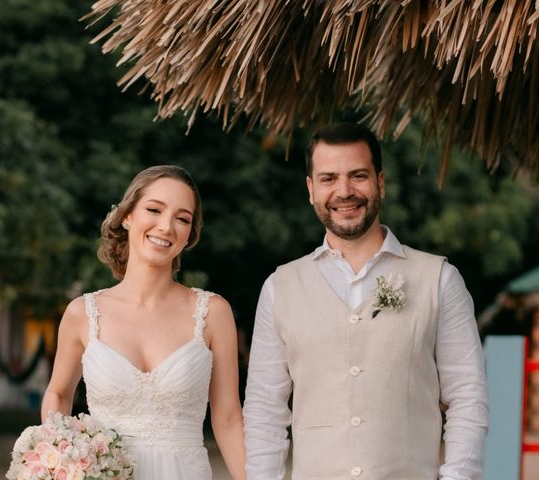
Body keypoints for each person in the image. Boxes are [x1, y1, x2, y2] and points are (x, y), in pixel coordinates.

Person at [243, 123, 488, 480]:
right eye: (328, 179)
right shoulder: (279, 288)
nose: (344, 191)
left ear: (381, 183)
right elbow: (266, 410)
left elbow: (467, 396)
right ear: (311, 190)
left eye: (358, 175)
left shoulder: (440, 279)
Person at [41, 165, 246, 480]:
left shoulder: (212, 313)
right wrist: (59, 460)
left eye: (182, 218)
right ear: (127, 216)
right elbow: (58, 393)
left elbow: (229, 419)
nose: (166, 226)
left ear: (190, 233)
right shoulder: (83, 313)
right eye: (154, 209)